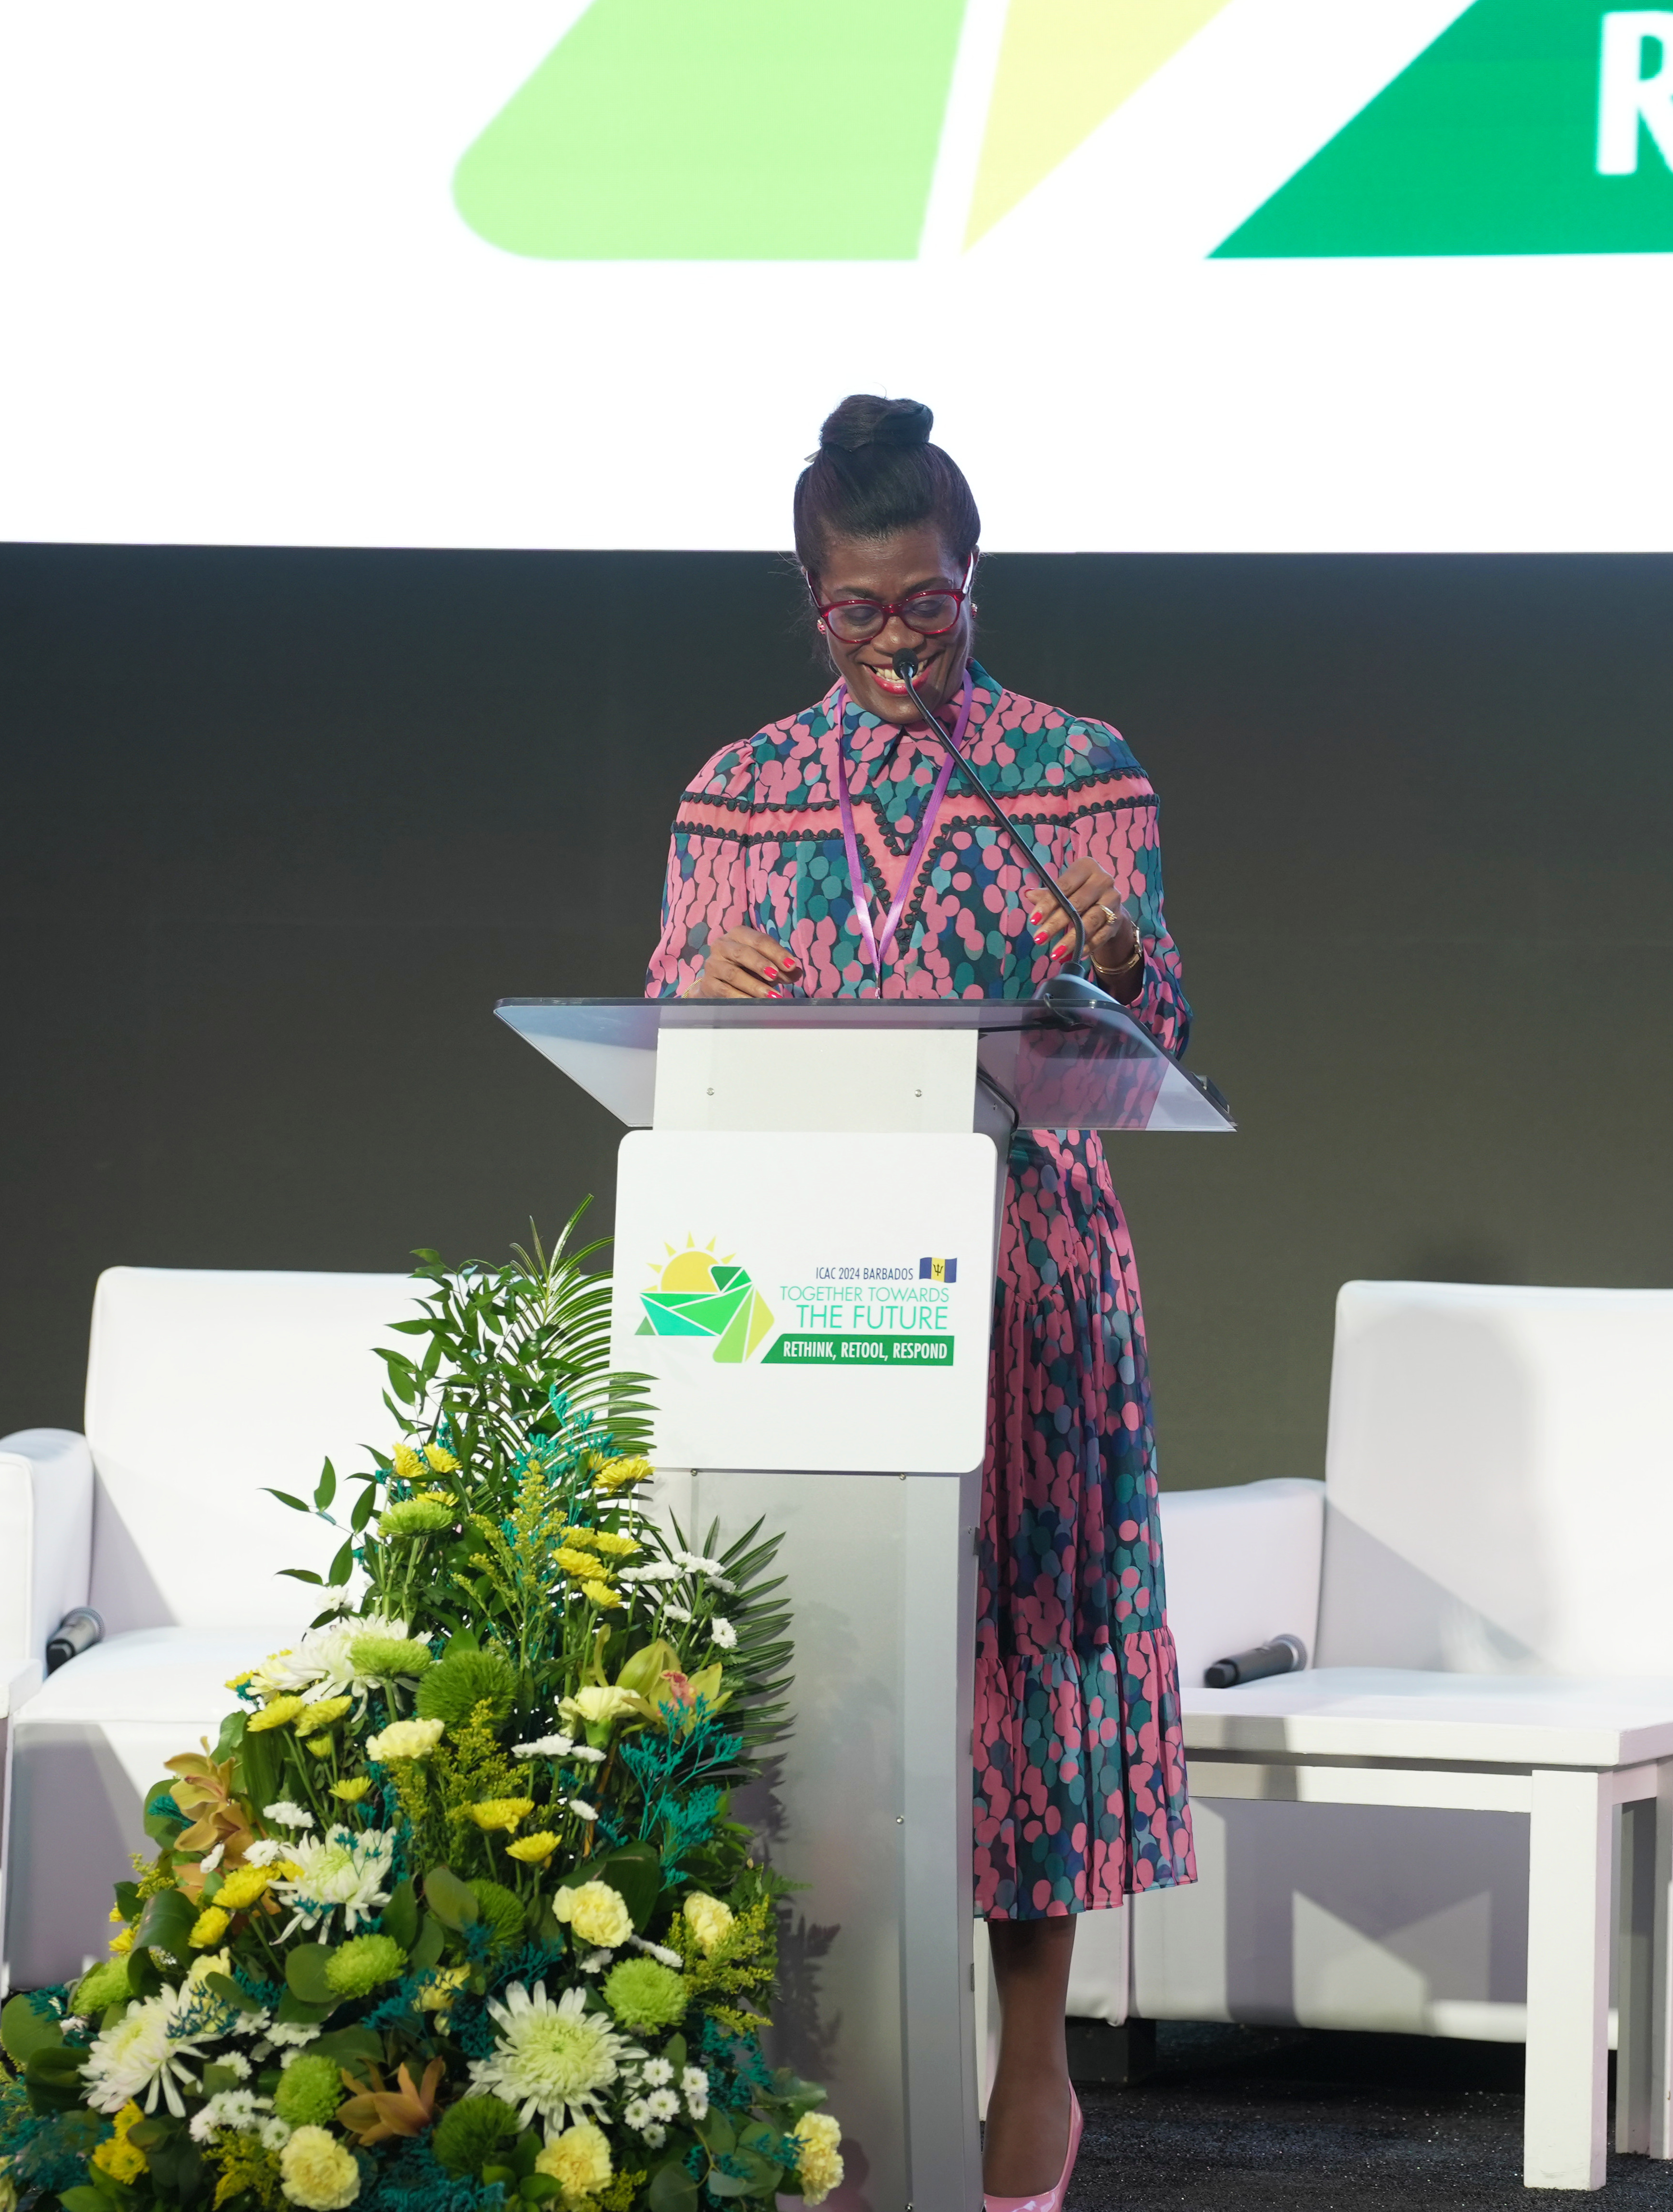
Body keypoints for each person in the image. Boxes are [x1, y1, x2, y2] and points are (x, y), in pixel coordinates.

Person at [642, 395, 1196, 2211]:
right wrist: (703, 987)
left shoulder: (1075, 773)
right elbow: (669, 1031)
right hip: (810, 1297)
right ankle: (822, 2058)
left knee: (1023, 1669)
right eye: (858, 610)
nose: (897, 641)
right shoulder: (736, 793)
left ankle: (1031, 2065)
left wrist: (1119, 962)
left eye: (929, 605)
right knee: (837, 1678)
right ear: (810, 598)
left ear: (976, 580)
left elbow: (1152, 1045)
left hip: (1027, 1289)